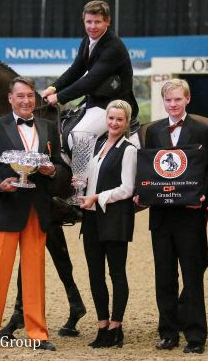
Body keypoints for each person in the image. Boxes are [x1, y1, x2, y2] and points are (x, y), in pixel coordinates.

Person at [0, 76, 68, 351]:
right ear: (10, 98)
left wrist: (52, 171)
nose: (26, 100)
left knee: (34, 274)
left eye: (30, 95)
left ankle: (38, 334)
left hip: (37, 208)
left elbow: (58, 166)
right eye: (21, 96)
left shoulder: (49, 127)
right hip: (4, 207)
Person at [136, 79, 208, 354]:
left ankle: (195, 336)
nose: (173, 104)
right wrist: (142, 192)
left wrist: (202, 196)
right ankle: (167, 333)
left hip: (190, 217)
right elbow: (149, 170)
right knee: (164, 277)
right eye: (169, 100)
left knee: (192, 277)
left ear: (187, 99)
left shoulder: (202, 130)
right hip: (161, 217)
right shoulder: (153, 130)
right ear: (163, 102)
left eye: (178, 100)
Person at [77, 99, 137, 349]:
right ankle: (102, 325)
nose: (114, 123)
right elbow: (96, 177)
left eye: (119, 120)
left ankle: (116, 326)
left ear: (126, 123)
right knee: (95, 274)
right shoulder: (98, 144)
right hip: (92, 218)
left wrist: (97, 197)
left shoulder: (129, 149)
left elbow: (127, 188)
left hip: (114, 218)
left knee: (116, 273)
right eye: (111, 118)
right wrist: (80, 182)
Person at [41, 0, 139, 151]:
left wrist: (59, 97)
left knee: (79, 138)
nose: (92, 26)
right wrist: (53, 87)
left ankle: (84, 175)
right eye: (89, 22)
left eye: (97, 22)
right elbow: (75, 70)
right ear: (84, 21)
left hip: (114, 104)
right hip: (95, 100)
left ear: (108, 21)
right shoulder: (87, 40)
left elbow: (90, 81)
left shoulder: (114, 47)